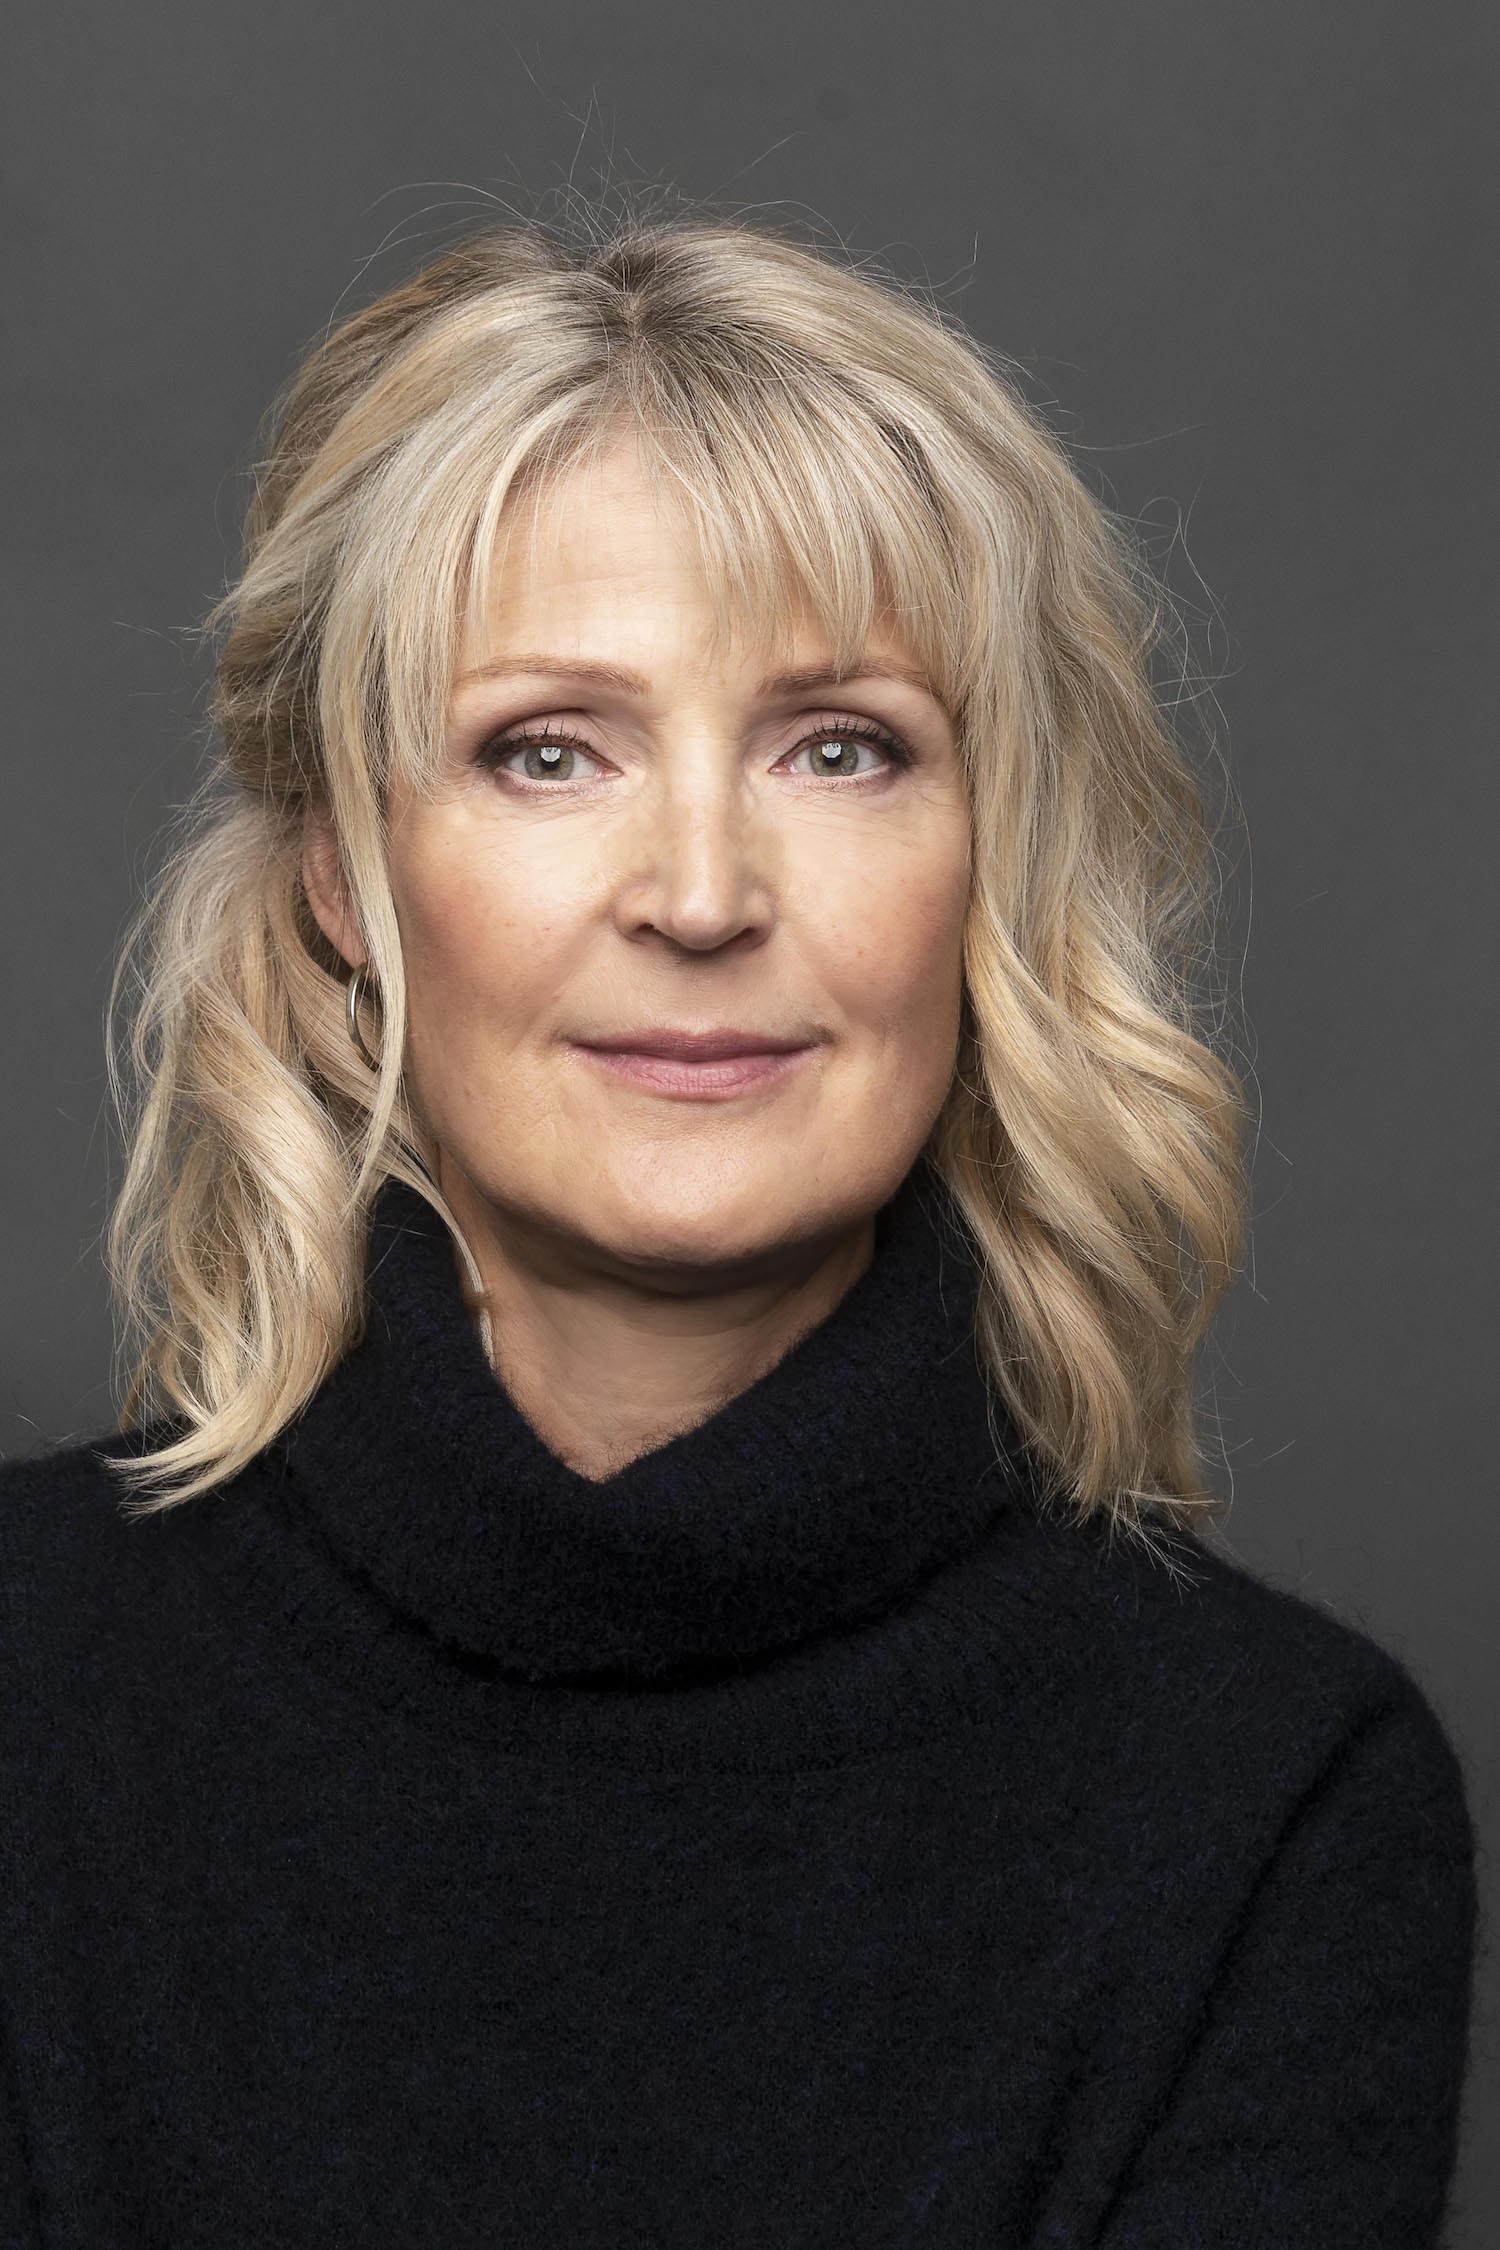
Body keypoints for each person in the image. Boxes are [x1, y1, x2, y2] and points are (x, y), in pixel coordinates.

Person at [0, 205, 1475, 2246]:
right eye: (547, 750)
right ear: (343, 873)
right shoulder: (27, 1692)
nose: (700, 892)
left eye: (841, 748)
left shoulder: (1276, 1801)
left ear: (993, 861)